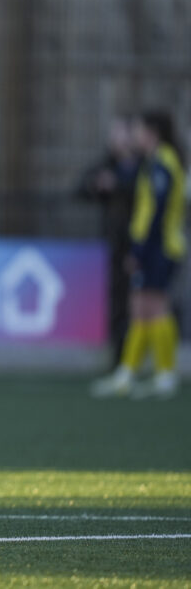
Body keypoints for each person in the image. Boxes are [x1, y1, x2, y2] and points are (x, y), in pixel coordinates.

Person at [91, 110, 185, 400]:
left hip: (159, 246)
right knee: (141, 309)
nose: (135, 136)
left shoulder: (163, 163)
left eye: (139, 130)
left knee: (155, 308)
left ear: (152, 132)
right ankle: (131, 373)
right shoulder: (155, 161)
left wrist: (140, 251)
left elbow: (157, 212)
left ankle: (163, 374)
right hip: (154, 245)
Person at [75, 115, 139, 368]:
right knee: (117, 303)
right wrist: (96, 185)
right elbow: (80, 189)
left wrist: (118, 185)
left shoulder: (143, 165)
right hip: (113, 244)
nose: (114, 139)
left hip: (138, 245)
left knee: (144, 304)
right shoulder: (107, 164)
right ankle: (119, 360)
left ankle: (142, 363)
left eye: (120, 133)